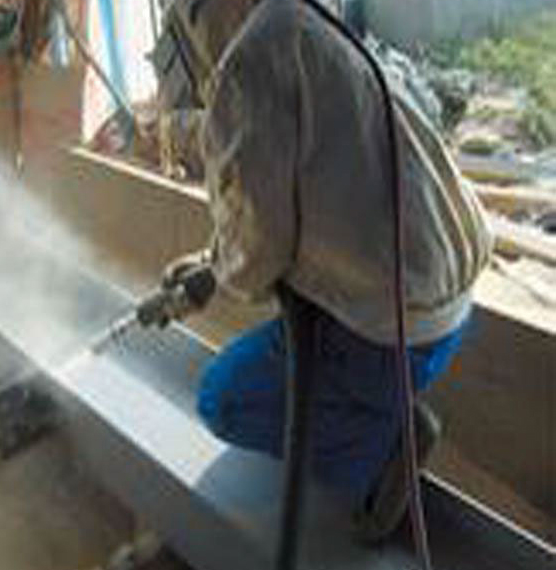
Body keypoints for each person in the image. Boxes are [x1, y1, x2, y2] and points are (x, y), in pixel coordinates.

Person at [152, 0, 493, 541]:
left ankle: (383, 452)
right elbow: (296, 195)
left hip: (391, 338)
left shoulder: (246, 65)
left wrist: (218, 275)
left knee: (223, 399)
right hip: (447, 307)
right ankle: (381, 410)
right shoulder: (304, 20)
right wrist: (211, 264)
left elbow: (258, 256)